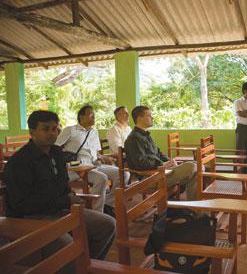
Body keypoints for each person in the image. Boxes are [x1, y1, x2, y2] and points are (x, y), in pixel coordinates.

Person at [4, 110, 115, 272]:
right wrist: (66, 200)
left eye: (55, 129)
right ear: (32, 131)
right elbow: (22, 204)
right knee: (68, 246)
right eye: (46, 129)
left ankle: (83, 266)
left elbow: (63, 185)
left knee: (107, 225)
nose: (52, 133)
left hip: (61, 210)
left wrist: (71, 198)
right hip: (34, 218)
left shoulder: (57, 153)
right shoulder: (19, 162)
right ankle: (74, 265)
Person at [55, 105, 129, 216]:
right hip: (78, 169)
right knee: (102, 178)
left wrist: (103, 157)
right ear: (82, 117)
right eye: (91, 114)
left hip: (95, 165)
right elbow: (55, 148)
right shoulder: (70, 130)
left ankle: (108, 204)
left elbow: (96, 152)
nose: (94, 116)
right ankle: (97, 213)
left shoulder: (94, 132)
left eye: (94, 114)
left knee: (124, 174)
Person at [124, 106, 197, 200]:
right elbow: (141, 163)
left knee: (197, 166)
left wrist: (169, 161)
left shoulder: (145, 135)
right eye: (149, 115)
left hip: (160, 172)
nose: (152, 118)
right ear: (139, 118)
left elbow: (158, 152)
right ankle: (194, 210)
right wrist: (162, 164)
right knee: (191, 167)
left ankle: (193, 209)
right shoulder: (134, 139)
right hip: (150, 178)